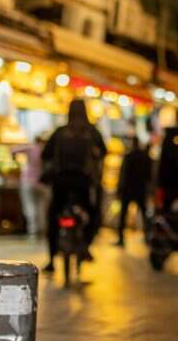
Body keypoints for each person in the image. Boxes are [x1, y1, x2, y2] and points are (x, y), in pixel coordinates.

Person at [42, 99, 106, 271]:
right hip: (83, 184)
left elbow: (45, 154)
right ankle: (85, 246)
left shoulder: (60, 132)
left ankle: (51, 259)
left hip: (61, 183)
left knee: (53, 216)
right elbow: (103, 153)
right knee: (93, 213)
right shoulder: (92, 132)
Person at [115, 136, 152, 247]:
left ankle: (121, 238)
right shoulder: (145, 157)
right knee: (144, 215)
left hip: (129, 189)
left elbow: (123, 173)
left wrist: (119, 188)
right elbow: (149, 176)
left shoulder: (129, 156)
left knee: (123, 216)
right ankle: (147, 237)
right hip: (140, 189)